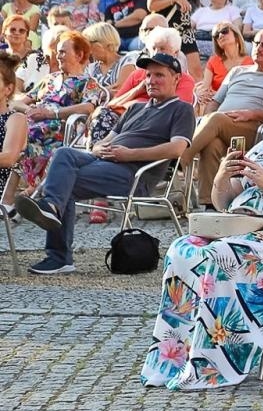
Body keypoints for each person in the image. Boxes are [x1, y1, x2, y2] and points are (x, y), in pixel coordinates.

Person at [140, 71, 263, 388]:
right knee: (183, 249)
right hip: (238, 232)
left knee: (220, 255)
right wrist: (222, 176)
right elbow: (223, 201)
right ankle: (173, 357)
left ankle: (213, 362)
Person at [13, 52, 194, 274]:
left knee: (64, 184)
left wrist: (130, 155)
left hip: (133, 173)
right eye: (148, 75)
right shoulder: (136, 108)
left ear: (176, 78)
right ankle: (51, 207)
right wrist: (97, 148)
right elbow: (107, 139)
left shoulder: (182, 109)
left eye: (159, 75)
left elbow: (177, 148)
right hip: (106, 159)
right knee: (63, 153)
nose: (151, 80)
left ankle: (58, 254)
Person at [0, 29, 97, 218]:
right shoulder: (49, 79)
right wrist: (28, 110)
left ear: (79, 55)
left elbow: (88, 107)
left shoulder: (87, 82)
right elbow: (20, 100)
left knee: (22, 138)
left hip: (61, 126)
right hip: (35, 124)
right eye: (57, 51)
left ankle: (18, 196)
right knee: (19, 133)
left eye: (62, 51)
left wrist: (51, 113)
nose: (57, 55)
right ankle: (14, 198)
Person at [180, 28, 263, 202]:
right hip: (221, 125)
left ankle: (179, 161)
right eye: (257, 43)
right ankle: (210, 203)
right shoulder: (237, 72)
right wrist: (206, 120)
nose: (259, 48)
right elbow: (215, 102)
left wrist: (252, 114)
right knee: (212, 143)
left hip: (254, 130)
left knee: (216, 119)